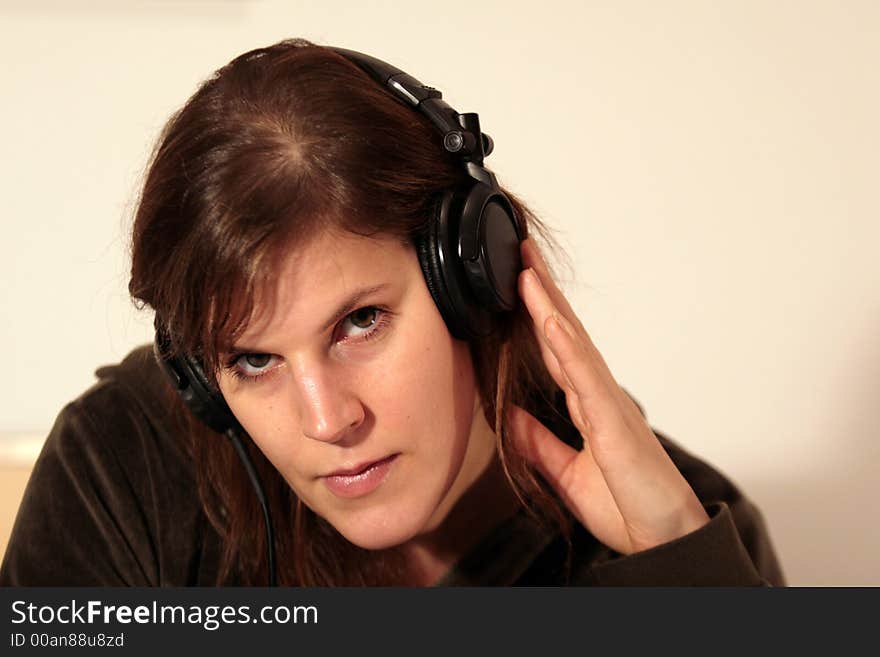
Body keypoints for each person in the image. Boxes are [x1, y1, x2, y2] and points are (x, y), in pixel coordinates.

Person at [1, 39, 785, 587]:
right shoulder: (120, 470)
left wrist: (683, 569)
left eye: (360, 322)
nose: (327, 420)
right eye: (253, 360)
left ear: (472, 276)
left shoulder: (694, 529)